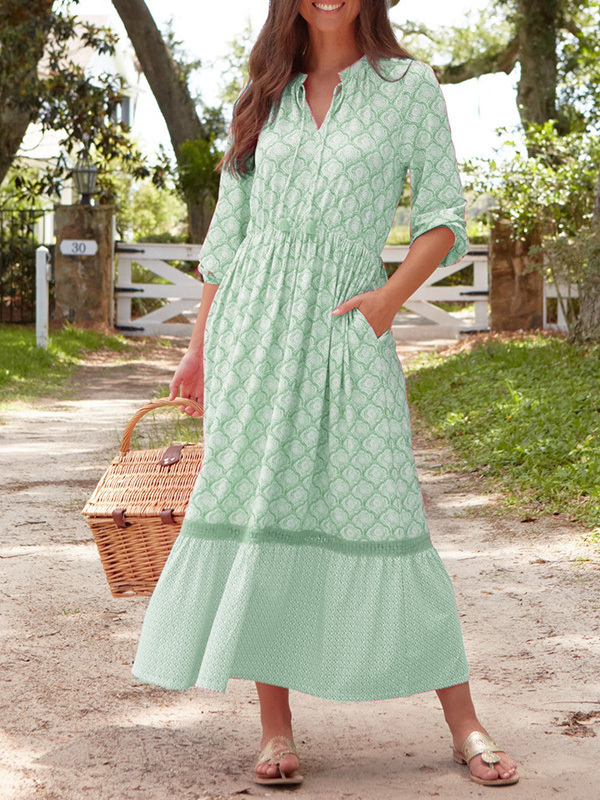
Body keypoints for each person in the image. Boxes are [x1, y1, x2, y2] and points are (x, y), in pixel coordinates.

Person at [131, 0, 520, 788]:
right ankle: (275, 730)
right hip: (252, 331)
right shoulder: (264, 93)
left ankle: (465, 722)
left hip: (350, 323)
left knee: (388, 509)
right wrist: (199, 349)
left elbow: (444, 215)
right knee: (263, 514)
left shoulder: (407, 86)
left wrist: (389, 300)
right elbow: (228, 238)